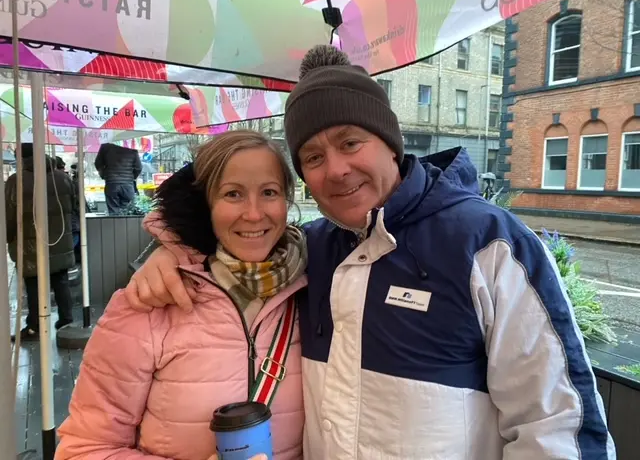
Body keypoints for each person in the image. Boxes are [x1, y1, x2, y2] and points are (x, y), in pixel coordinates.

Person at [123, 46, 616, 459]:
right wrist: (173, 250)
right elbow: (234, 232)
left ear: (390, 143)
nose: (335, 169)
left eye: (350, 142)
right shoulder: (309, 248)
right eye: (312, 157)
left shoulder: (485, 242)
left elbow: (558, 425)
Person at [55, 131, 307, 460]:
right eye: (233, 194)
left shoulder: (313, 290)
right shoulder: (146, 303)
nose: (255, 213)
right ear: (205, 205)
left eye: (269, 192)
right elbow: (83, 449)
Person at [6, 143, 77, 341]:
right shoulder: (63, 178)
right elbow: (74, 207)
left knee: (34, 285)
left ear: (21, 158)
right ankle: (66, 320)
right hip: (60, 241)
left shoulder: (16, 181)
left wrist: (8, 237)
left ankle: (35, 327)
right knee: (61, 282)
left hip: (31, 246)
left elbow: (9, 217)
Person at [94, 143, 142, 215]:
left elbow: (98, 163)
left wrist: (104, 175)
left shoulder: (105, 146)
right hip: (128, 184)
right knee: (128, 211)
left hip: (111, 183)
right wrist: (131, 177)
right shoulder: (131, 146)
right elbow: (139, 168)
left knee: (113, 211)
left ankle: (115, 224)